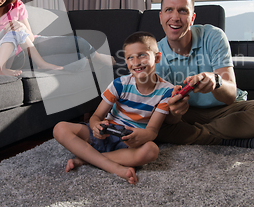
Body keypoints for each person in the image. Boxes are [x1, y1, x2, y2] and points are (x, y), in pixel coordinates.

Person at [154, 0, 254, 150]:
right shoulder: (155, 54)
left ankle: (197, 136)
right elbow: (161, 110)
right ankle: (229, 139)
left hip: (226, 110)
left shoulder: (213, 36)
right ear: (161, 16)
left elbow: (229, 96)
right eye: (169, 10)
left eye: (183, 11)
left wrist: (216, 81)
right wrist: (174, 111)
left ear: (192, 18)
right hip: (188, 114)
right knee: (151, 123)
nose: (175, 17)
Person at [53, 32, 174, 184]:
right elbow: (96, 117)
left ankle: (86, 159)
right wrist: (96, 126)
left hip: (128, 143)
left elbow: (153, 131)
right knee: (60, 128)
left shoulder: (167, 91)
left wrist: (142, 137)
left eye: (142, 55)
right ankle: (113, 167)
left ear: (157, 58)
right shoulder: (120, 84)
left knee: (152, 150)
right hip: (105, 133)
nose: (136, 62)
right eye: (130, 57)